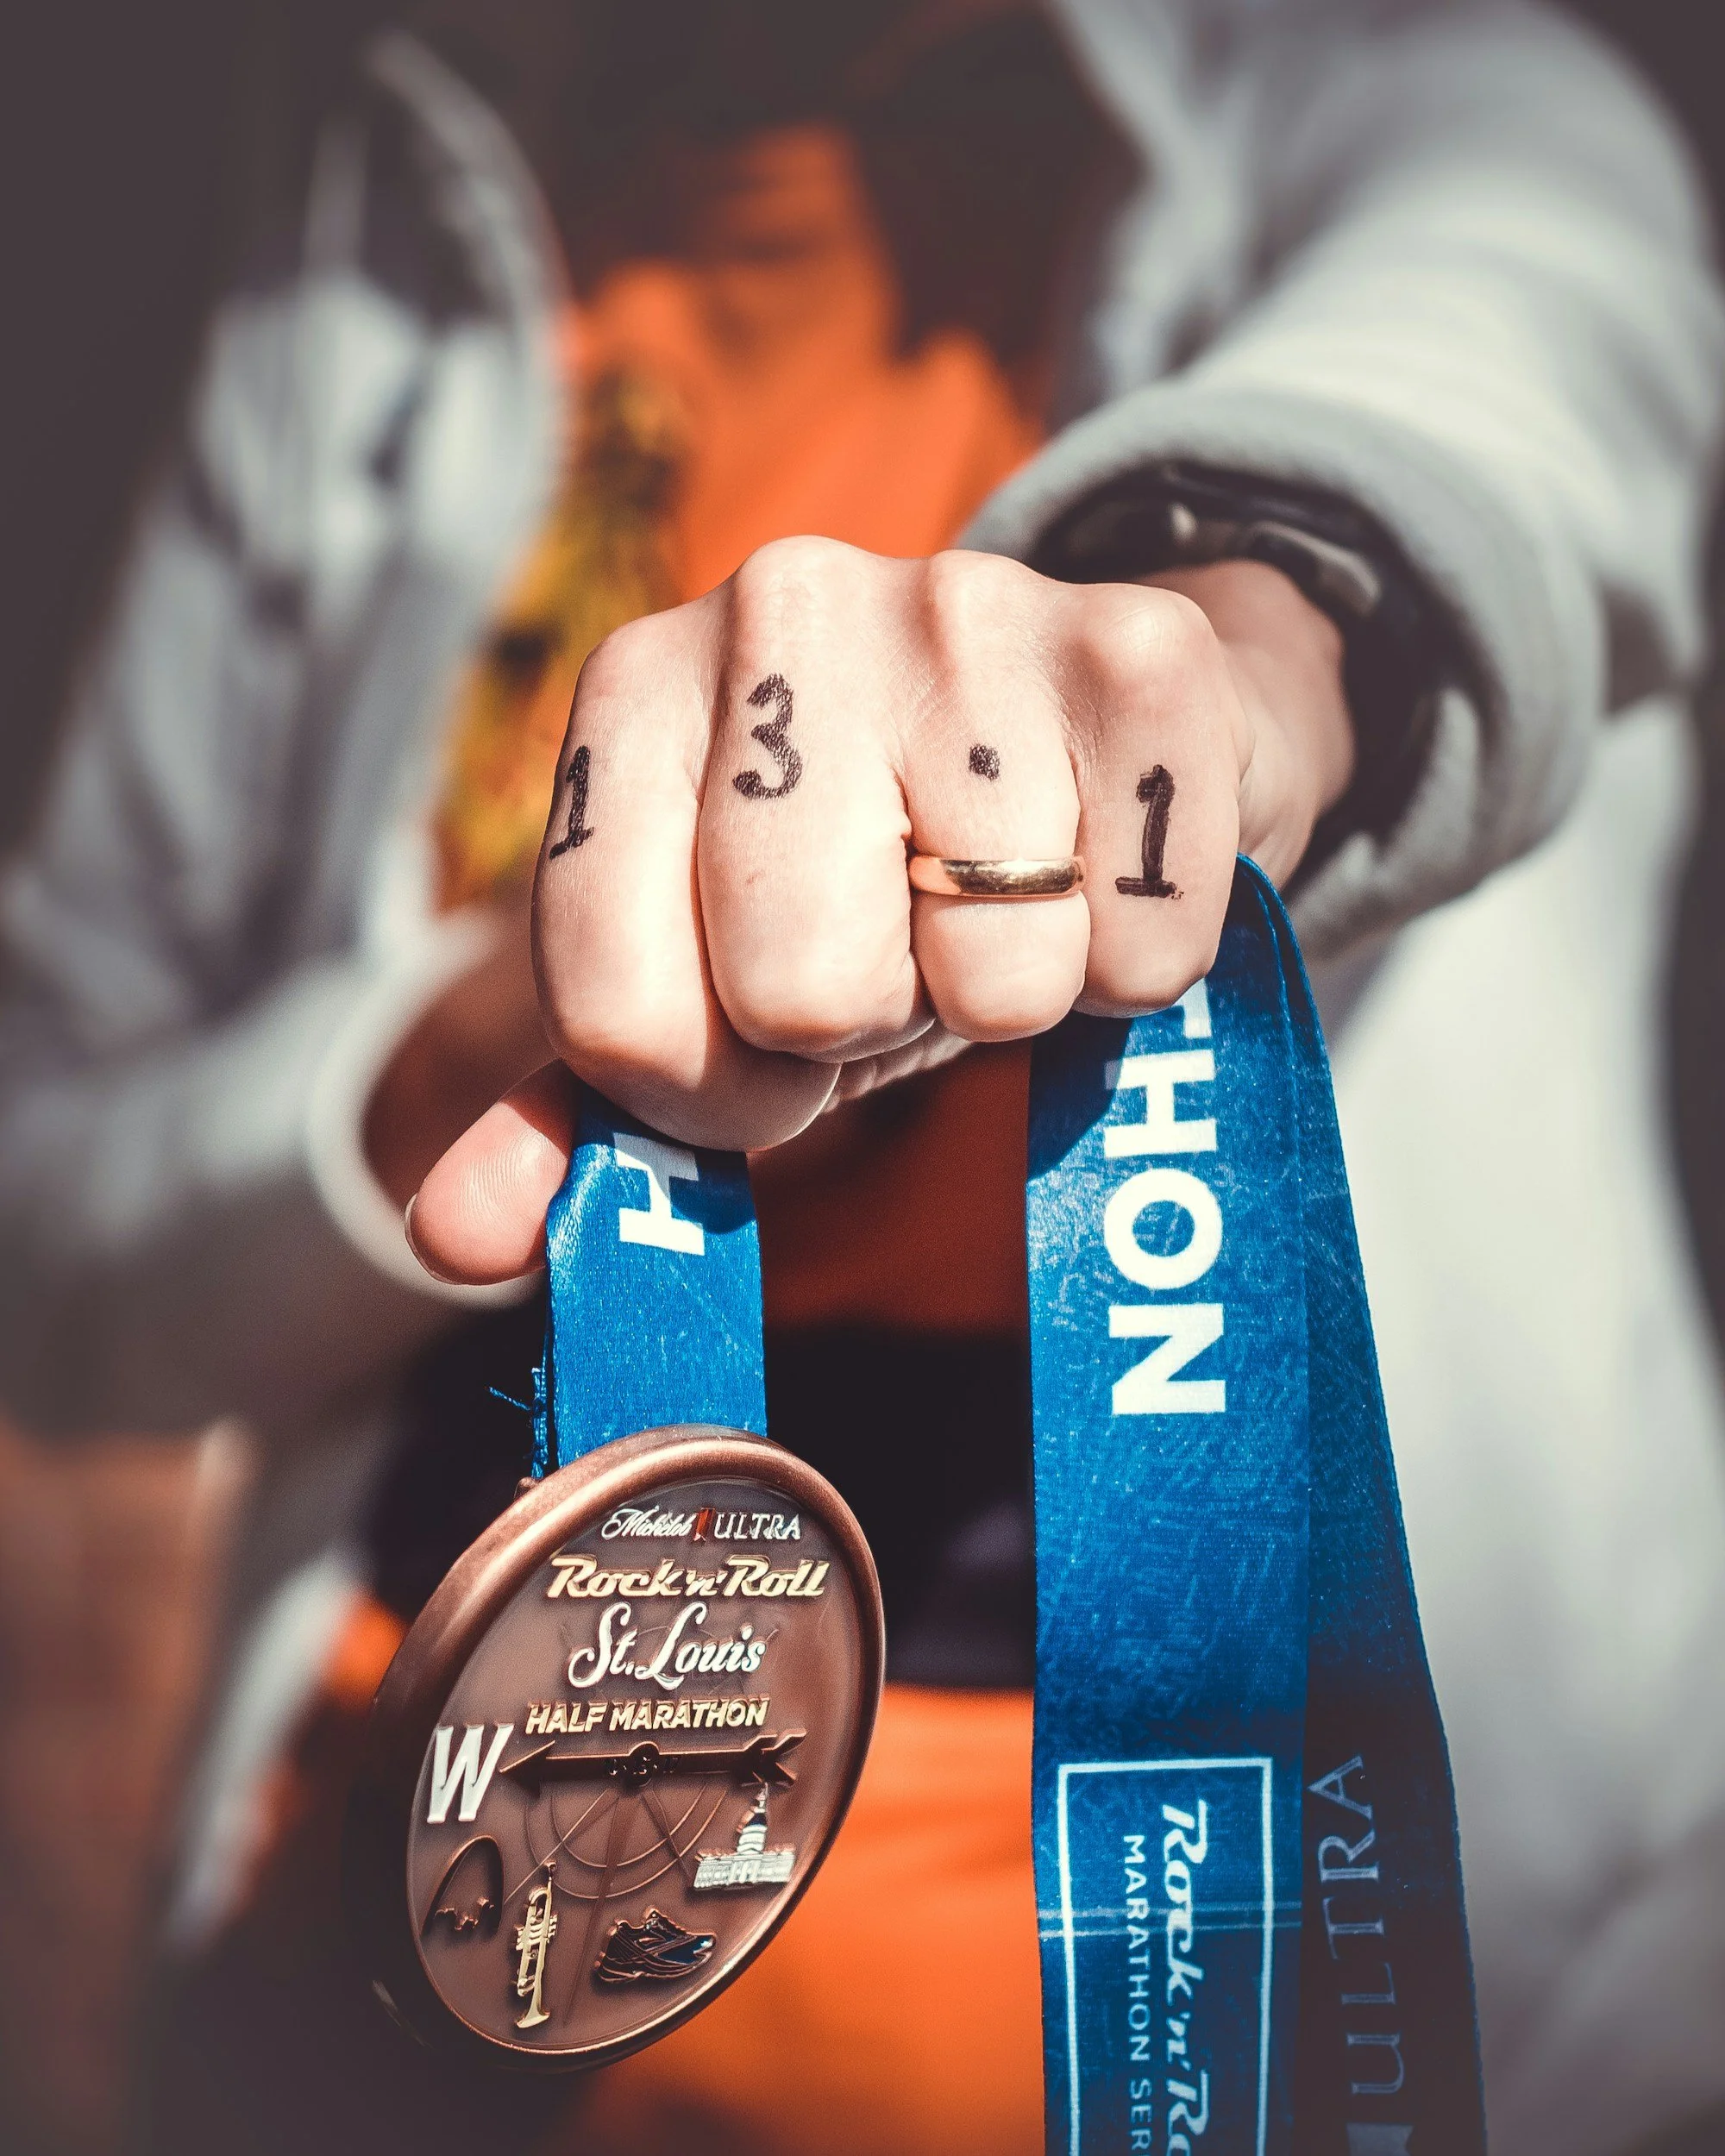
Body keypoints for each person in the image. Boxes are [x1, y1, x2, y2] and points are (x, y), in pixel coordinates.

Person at [0, 4, 1721, 2152]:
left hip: (1225, 1951)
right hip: (416, 1863)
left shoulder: (1430, 85)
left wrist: (1238, 656)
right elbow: (50, 1192)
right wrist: (437, 1044)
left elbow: (1510, 406)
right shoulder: (360, 248)